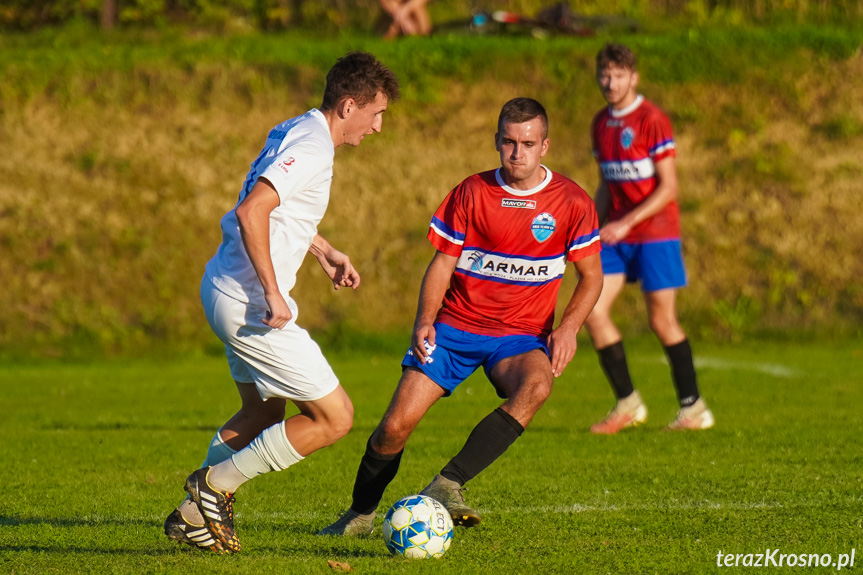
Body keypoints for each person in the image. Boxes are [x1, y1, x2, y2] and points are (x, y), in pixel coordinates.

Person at [317, 97, 604, 536]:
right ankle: (360, 515)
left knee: (537, 386)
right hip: (453, 330)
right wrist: (424, 321)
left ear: (545, 145)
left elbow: (592, 277)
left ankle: (447, 485)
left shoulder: (572, 202)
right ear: (496, 141)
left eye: (527, 143)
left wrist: (567, 328)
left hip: (520, 338)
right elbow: (442, 265)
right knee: (394, 428)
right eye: (508, 142)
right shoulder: (472, 192)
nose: (517, 153)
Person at [162, 51, 399, 554]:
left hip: (221, 286)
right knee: (335, 418)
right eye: (376, 113)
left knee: (264, 413)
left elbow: (279, 209)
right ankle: (212, 489)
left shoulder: (297, 129)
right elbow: (253, 212)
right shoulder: (313, 147)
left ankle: (192, 514)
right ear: (349, 105)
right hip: (249, 302)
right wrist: (272, 292)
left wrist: (323, 250)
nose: (378, 127)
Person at [583, 43, 714, 434]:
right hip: (616, 237)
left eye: (619, 75)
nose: (610, 82)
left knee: (662, 321)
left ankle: (693, 408)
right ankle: (628, 403)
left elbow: (668, 187)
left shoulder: (652, 119)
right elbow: (607, 184)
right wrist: (589, 227)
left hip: (655, 233)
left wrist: (626, 223)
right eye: (605, 74)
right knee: (593, 312)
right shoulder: (600, 124)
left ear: (633, 77)